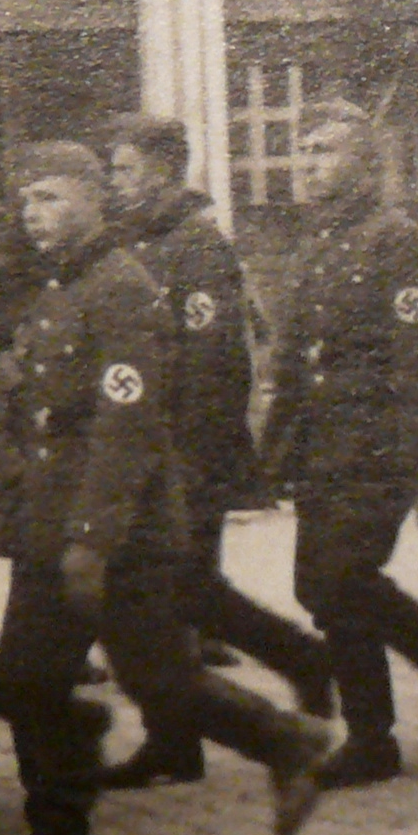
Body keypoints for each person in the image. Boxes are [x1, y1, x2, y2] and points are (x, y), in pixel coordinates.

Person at [0, 143, 331, 835]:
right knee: (91, 676)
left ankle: (276, 743)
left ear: (94, 198)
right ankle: (279, 741)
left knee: (122, 677)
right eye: (27, 200)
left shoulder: (121, 288)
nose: (33, 214)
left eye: (50, 197)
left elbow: (125, 425)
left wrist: (90, 539)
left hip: (113, 531)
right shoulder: (60, 285)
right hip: (59, 519)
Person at [97, 115, 333, 791]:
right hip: (154, 456)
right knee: (182, 596)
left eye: (125, 169)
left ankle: (300, 662)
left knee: (182, 594)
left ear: (163, 171)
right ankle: (178, 741)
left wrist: (191, 462)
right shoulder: (137, 240)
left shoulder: (197, 245)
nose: (115, 182)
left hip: (187, 456)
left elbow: (216, 362)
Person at [256, 101, 418, 785]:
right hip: (322, 444)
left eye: (326, 150)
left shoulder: (397, 241)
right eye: (306, 150)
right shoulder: (315, 242)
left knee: (340, 579)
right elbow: (293, 357)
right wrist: (271, 448)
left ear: (366, 162)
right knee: (321, 588)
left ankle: (391, 722)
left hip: (377, 443)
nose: (310, 164)